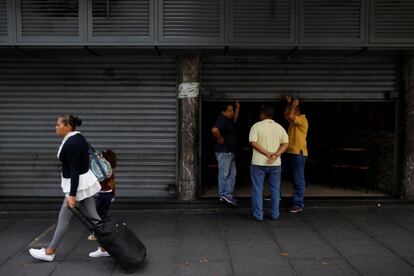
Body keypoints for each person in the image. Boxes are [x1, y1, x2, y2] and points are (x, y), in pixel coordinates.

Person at [29, 114, 103, 261]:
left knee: (63, 218)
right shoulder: (78, 138)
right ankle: (106, 246)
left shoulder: (71, 144)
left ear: (68, 126)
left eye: (58, 125)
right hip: (84, 182)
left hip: (78, 186)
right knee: (95, 219)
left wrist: (72, 195)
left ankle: (49, 252)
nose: (55, 127)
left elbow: (74, 170)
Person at [249, 105, 289, 221]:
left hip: (258, 163)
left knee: (257, 189)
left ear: (262, 114)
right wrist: (276, 155)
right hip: (275, 164)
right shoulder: (279, 127)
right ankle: (275, 215)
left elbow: (253, 143)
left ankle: (258, 215)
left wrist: (267, 153)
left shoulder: (256, 126)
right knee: (275, 190)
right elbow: (286, 143)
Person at [87, 149, 117, 257]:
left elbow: (98, 178)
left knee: (99, 218)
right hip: (107, 195)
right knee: (101, 216)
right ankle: (102, 247)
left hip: (104, 195)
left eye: (102, 157)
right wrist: (113, 195)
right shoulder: (110, 171)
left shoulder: (104, 171)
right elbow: (113, 184)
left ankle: (102, 247)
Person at [211, 101, 240, 206]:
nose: (232, 112)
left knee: (232, 174)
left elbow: (235, 118)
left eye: (232, 110)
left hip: (230, 153)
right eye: (230, 110)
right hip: (224, 152)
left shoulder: (229, 120)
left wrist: (238, 107)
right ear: (223, 112)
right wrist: (220, 139)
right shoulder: (221, 120)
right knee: (224, 174)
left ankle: (227, 194)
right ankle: (224, 194)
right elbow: (214, 130)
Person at [284, 96, 309, 213]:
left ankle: (298, 204)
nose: (291, 111)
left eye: (294, 109)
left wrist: (293, 105)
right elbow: (286, 116)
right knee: (281, 173)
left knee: (298, 178)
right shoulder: (294, 121)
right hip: (291, 152)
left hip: (298, 153)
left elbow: (290, 116)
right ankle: (278, 195)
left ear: (298, 111)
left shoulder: (302, 120)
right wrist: (289, 104)